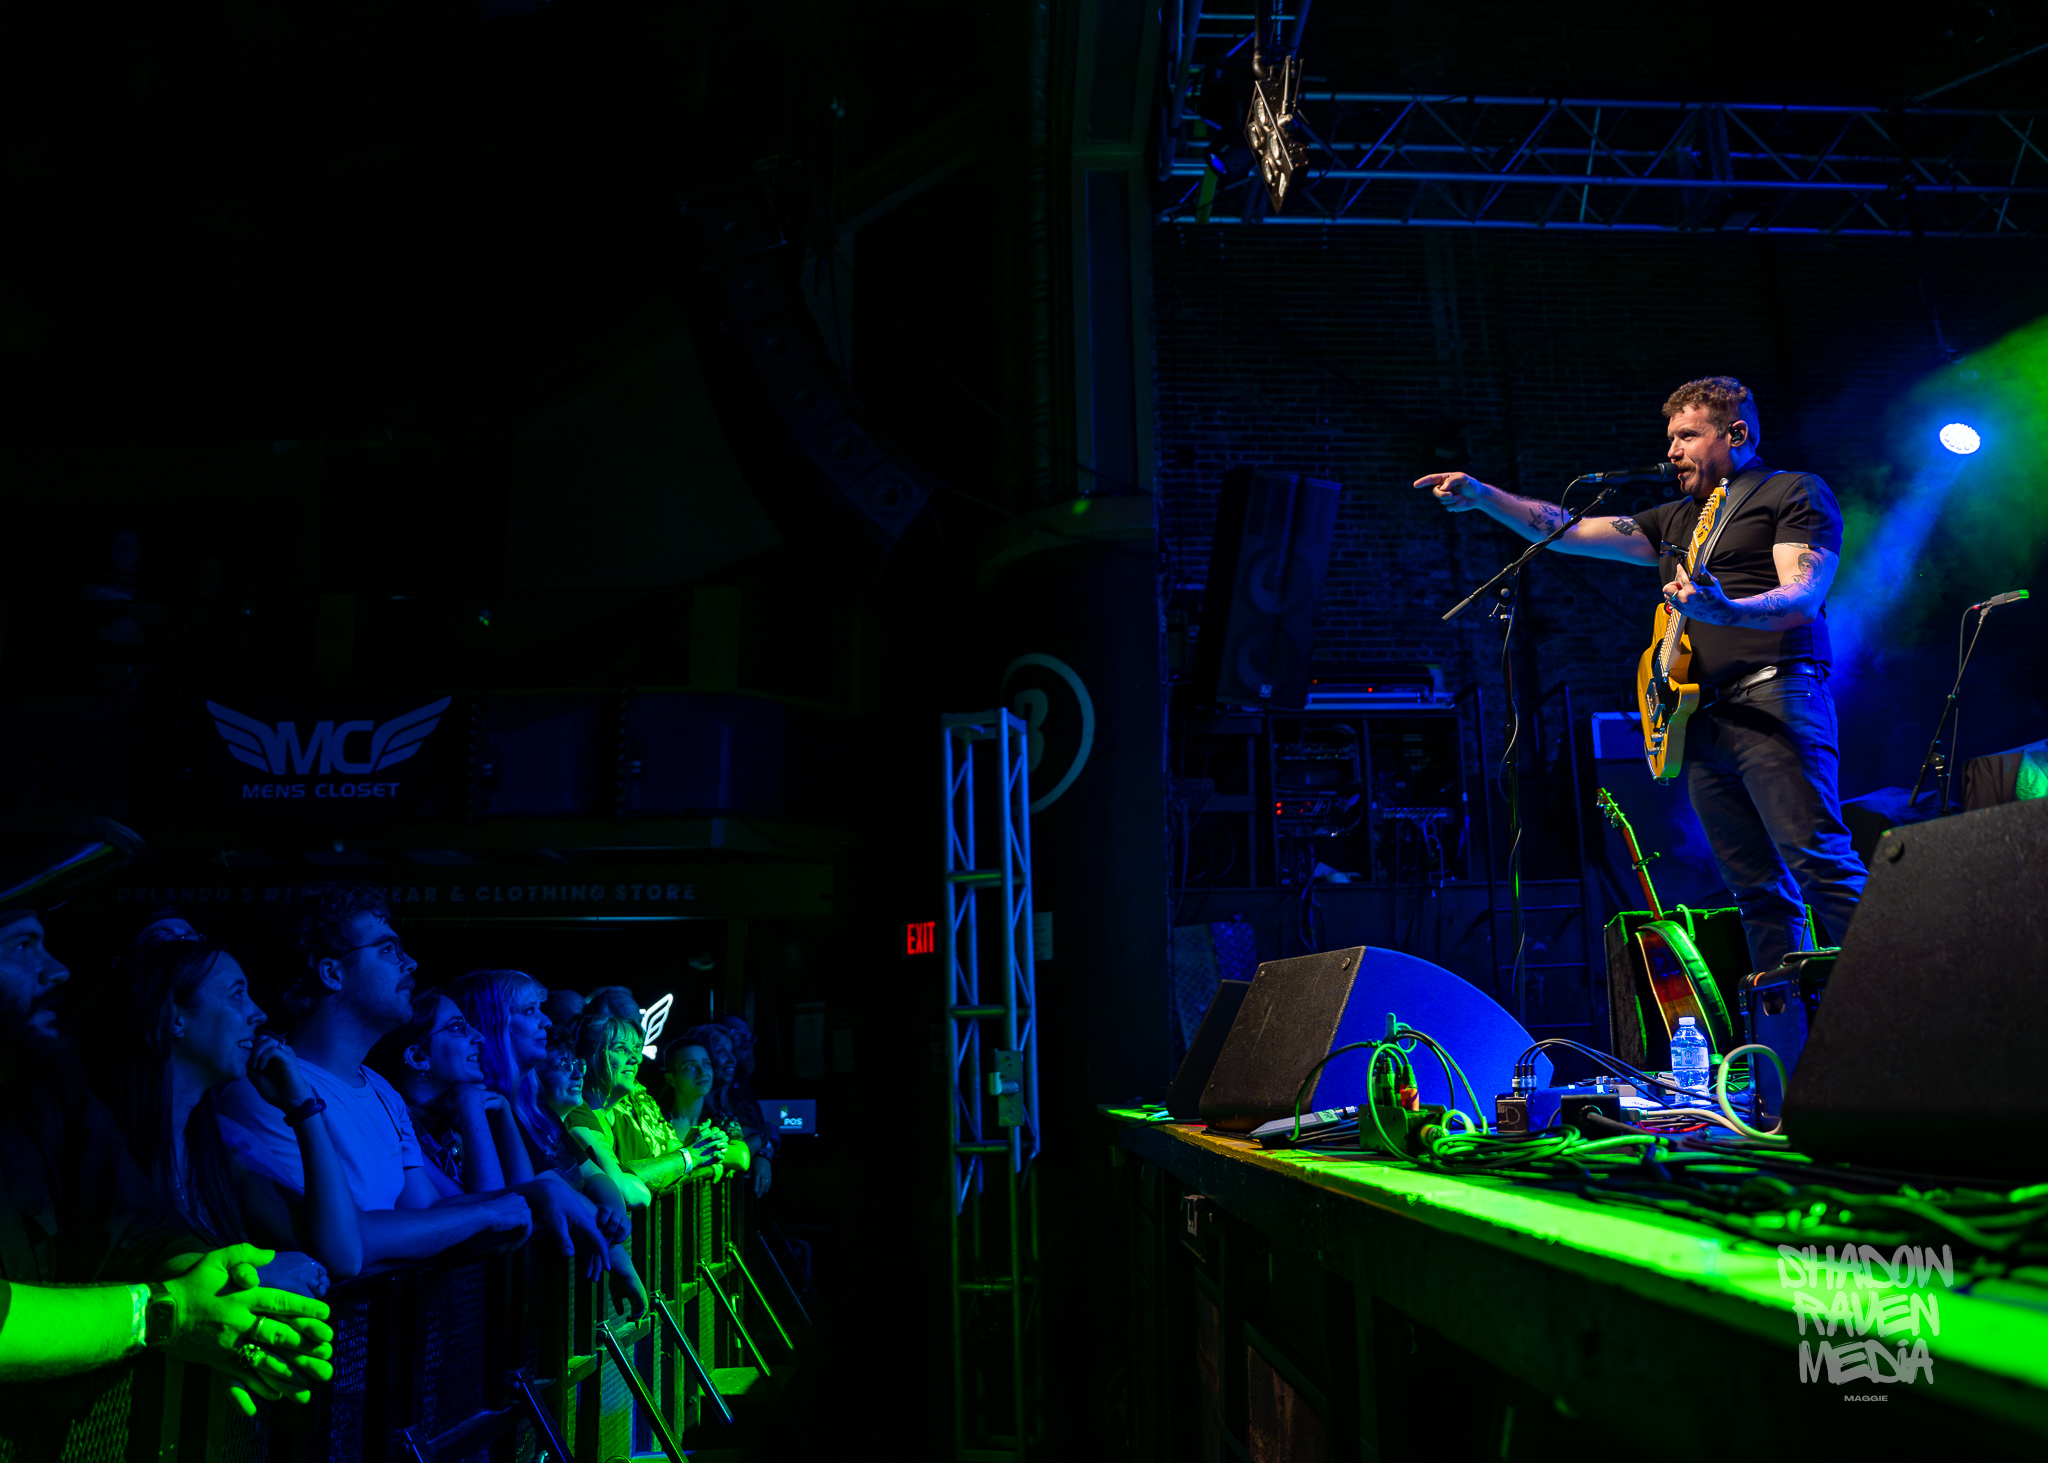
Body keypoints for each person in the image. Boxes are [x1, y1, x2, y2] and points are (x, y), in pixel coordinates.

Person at [1416, 376, 1867, 973]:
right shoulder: (1677, 519)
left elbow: (1802, 595)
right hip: (1703, 721)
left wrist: (1726, 610)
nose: (1673, 450)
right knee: (1755, 890)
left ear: (1736, 434)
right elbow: (1568, 531)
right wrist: (1482, 496)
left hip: (1774, 697)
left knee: (1819, 863)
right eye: (1671, 437)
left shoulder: (1791, 491)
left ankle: (1912, 1002)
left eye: (1688, 436)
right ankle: (1786, 1024)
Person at [0, 899, 332, 1444]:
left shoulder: (49, 1086)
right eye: (20, 945)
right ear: (172, 1015)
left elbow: (131, 1219)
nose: (57, 970)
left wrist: (226, 1294)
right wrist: (166, 1312)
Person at [212, 885, 597, 1269]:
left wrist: (539, 1191)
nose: (410, 963)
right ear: (331, 973)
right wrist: (490, 1212)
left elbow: (426, 1207)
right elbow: (343, 1241)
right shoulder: (266, 1090)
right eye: (388, 949)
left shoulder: (380, 1089)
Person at [109, 936, 363, 1292]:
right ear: (174, 1018)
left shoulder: (224, 1146)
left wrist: (302, 1107)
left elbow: (344, 1256)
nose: (259, 1014)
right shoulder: (104, 1143)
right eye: (236, 994)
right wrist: (253, 1276)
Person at [455, 970, 647, 1315]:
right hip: (504, 1297)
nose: (545, 1021)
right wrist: (614, 1250)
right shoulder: (485, 1105)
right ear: (494, 1023)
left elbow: (592, 1173)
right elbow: (535, 1186)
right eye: (530, 1011)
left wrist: (614, 1222)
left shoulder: (536, 1105)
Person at [368, 989, 518, 1194]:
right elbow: (493, 1205)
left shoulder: (444, 1121)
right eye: (457, 1027)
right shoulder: (397, 1133)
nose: (480, 1037)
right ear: (418, 1058)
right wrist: (470, 1105)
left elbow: (522, 1191)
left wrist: (505, 1110)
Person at [569, 1009, 723, 1191]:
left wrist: (696, 1146)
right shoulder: (576, 1110)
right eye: (621, 1049)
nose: (636, 1058)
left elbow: (660, 1161)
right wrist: (690, 1156)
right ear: (589, 1057)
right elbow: (618, 1183)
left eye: (636, 1049)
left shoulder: (627, 1114)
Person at [536, 1030, 651, 1209]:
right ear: (534, 1076)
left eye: (577, 1064)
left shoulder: (563, 1135)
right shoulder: (571, 1126)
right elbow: (625, 1191)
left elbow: (639, 1195)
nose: (577, 1074)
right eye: (563, 1065)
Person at [661, 1036, 750, 1183]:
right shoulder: (655, 1118)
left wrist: (683, 1150)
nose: (703, 1072)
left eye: (707, 1064)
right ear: (671, 1078)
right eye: (690, 1066)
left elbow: (742, 1158)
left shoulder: (721, 1121)